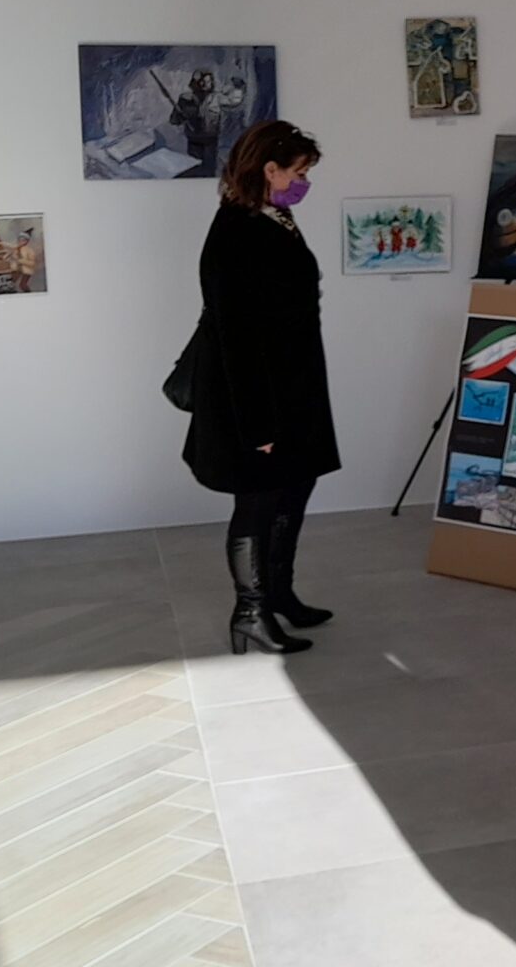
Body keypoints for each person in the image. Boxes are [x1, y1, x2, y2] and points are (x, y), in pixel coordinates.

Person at [184, 120, 341, 656]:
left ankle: (278, 595)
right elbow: (237, 336)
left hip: (290, 386)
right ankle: (250, 613)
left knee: (293, 487)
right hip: (254, 395)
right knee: (257, 501)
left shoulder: (272, 216)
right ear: (269, 169)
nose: (304, 183)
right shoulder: (235, 231)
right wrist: (258, 426)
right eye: (298, 172)